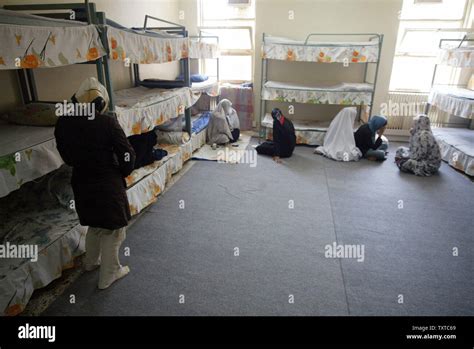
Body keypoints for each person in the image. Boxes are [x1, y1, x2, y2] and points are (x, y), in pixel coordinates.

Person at [55, 77, 136, 290]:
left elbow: (67, 157)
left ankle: (90, 263)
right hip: (106, 183)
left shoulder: (63, 123)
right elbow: (127, 154)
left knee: (96, 224)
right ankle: (109, 274)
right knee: (113, 230)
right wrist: (122, 172)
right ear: (102, 102)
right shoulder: (107, 122)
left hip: (81, 181)